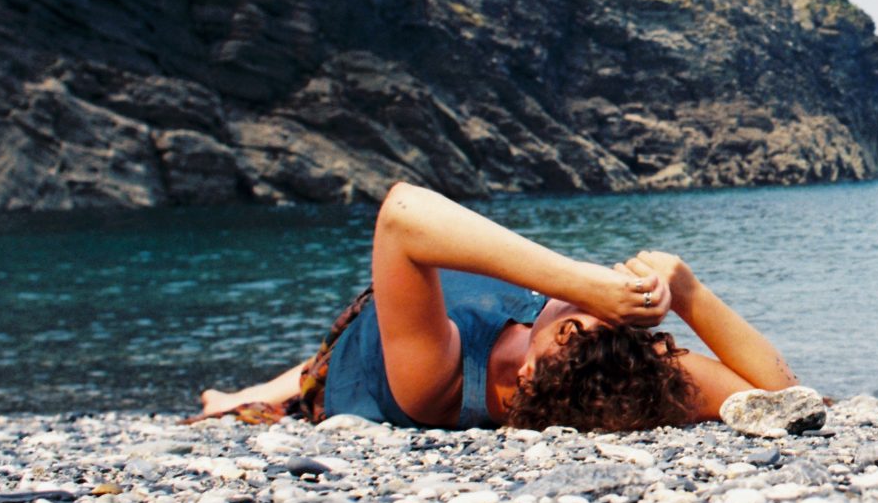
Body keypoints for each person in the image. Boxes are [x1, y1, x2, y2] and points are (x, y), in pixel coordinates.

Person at [195, 181, 797, 431]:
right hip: (438, 309)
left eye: (584, 313)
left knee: (309, 377)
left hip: (367, 345)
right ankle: (258, 392)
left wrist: (578, 280)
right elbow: (786, 395)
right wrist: (687, 291)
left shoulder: (439, 377)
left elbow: (403, 213)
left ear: (530, 370)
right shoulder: (617, 375)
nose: (610, 301)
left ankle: (246, 398)